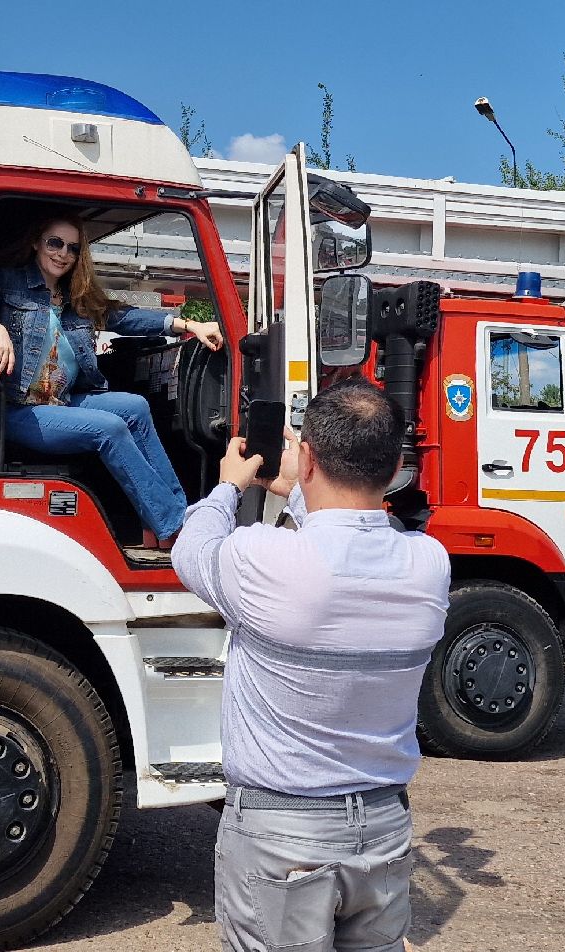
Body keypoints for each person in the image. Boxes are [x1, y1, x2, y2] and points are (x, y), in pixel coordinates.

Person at [172, 383, 451, 952]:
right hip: (382, 829)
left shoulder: (260, 558)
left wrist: (230, 483)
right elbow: (348, 542)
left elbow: (190, 548)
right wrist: (303, 491)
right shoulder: (429, 563)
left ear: (310, 458)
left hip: (282, 835)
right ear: (396, 466)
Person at [0, 214, 222, 551]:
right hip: (17, 409)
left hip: (61, 401)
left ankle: (175, 517)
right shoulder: (7, 284)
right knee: (108, 428)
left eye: (72, 248)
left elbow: (126, 318)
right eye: (55, 243)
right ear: (37, 242)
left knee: (135, 407)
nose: (62, 253)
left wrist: (189, 325)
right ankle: (174, 531)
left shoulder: (76, 298)